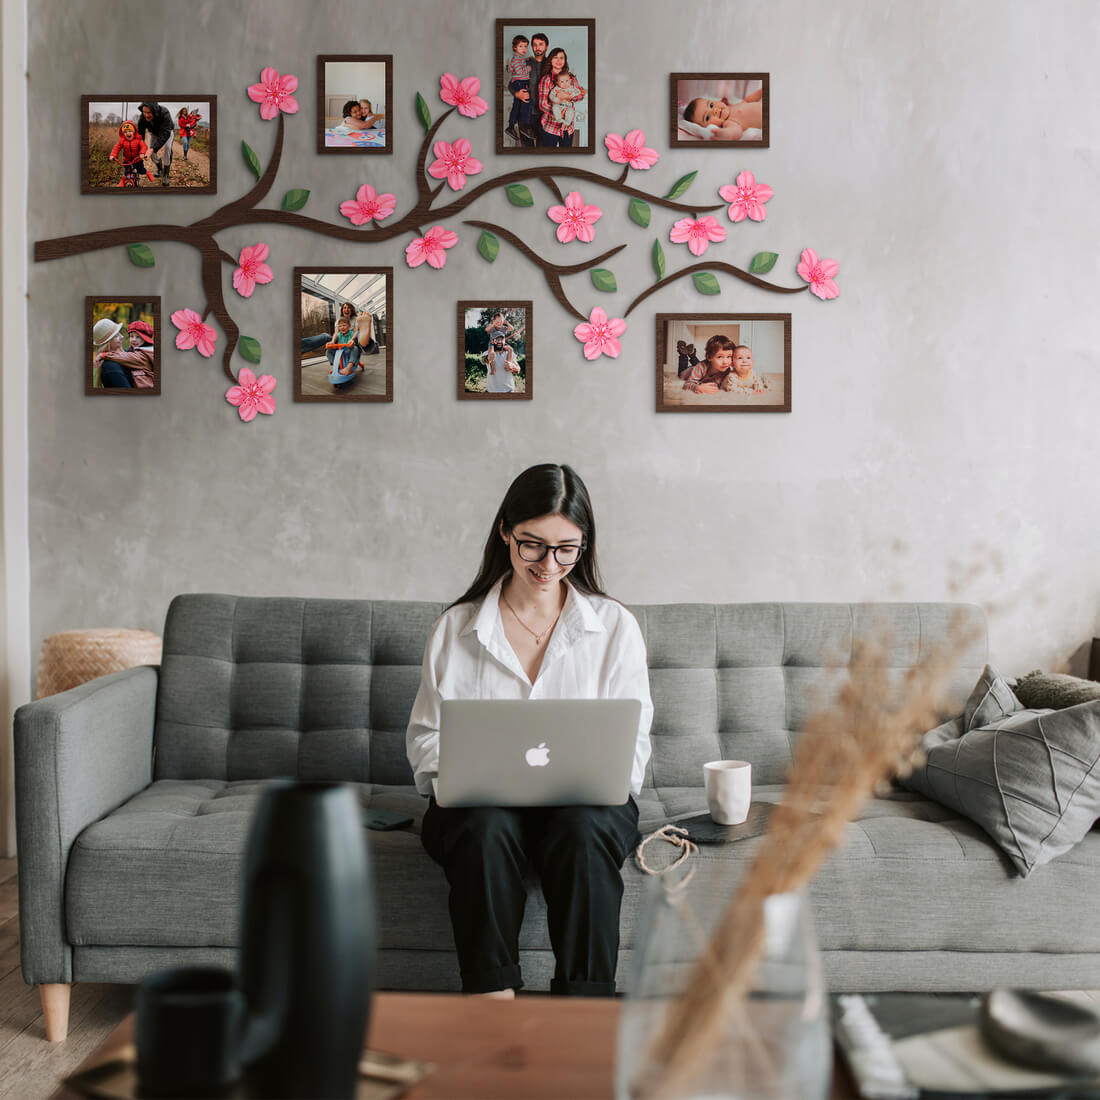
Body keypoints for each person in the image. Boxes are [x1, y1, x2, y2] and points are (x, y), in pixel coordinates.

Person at [407, 463, 653, 998]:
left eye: (568, 548)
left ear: (584, 545)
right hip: (481, 809)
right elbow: (426, 738)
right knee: (483, 830)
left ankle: (584, 1010)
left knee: (585, 833)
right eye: (533, 545)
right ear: (504, 532)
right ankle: (492, 1001)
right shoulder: (456, 629)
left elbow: (631, 745)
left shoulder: (614, 627)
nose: (549, 564)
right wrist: (464, 772)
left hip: (586, 807)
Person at [537, 49, 585, 147]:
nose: (559, 60)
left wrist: (568, 96)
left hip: (568, 127)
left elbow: (579, 96)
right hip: (551, 127)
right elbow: (542, 104)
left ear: (565, 60)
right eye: (555, 57)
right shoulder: (546, 79)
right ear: (550, 60)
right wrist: (559, 114)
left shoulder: (571, 77)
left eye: (561, 58)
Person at [92, 317, 155, 389]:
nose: (122, 336)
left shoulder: (131, 354)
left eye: (120, 333)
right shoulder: (110, 367)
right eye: (116, 336)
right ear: (107, 343)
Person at [683, 87, 763, 141]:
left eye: (711, 105)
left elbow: (748, 100)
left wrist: (761, 92)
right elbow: (736, 131)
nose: (714, 111)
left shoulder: (736, 104)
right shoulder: (729, 122)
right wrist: (726, 134)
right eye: (707, 117)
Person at [517, 31, 550, 145]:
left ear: (546, 46)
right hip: (525, 114)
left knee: (544, 149)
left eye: (541, 44)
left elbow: (564, 81)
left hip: (544, 115)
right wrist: (517, 94)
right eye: (535, 44)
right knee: (526, 150)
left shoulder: (552, 65)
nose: (537, 47)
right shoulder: (524, 64)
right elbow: (511, 84)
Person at [136, 100, 175, 187]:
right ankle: (159, 168)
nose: (146, 115)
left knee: (167, 148)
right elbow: (140, 134)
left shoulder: (165, 112)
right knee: (152, 154)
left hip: (167, 131)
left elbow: (165, 133)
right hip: (154, 133)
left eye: (149, 112)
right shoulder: (142, 117)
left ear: (154, 110)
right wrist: (140, 149)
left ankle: (165, 174)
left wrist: (153, 148)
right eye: (144, 112)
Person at [108, 120, 155, 186]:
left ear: (133, 132)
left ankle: (147, 172)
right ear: (123, 134)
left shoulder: (138, 140)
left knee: (141, 170)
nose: (128, 133)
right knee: (127, 173)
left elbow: (144, 146)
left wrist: (142, 153)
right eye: (125, 132)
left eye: (130, 131)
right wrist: (113, 155)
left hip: (137, 159)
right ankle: (123, 180)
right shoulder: (122, 141)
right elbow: (116, 148)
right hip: (127, 160)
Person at [505, 35, 532, 140]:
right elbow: (520, 71)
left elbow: (514, 68)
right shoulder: (516, 59)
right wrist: (529, 67)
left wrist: (526, 60)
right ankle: (524, 125)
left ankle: (511, 127)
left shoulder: (519, 58)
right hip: (520, 82)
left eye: (525, 46)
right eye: (521, 46)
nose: (524, 49)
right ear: (514, 47)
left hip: (520, 81)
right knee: (526, 101)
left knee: (516, 105)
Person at [326, 316, 358, 386]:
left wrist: (352, 343)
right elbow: (336, 342)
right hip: (340, 352)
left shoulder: (351, 333)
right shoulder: (339, 334)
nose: (342, 327)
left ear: (349, 326)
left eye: (344, 325)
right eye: (340, 326)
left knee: (355, 349)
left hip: (348, 352)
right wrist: (331, 344)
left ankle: (349, 367)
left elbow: (353, 341)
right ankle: (336, 366)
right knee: (328, 352)